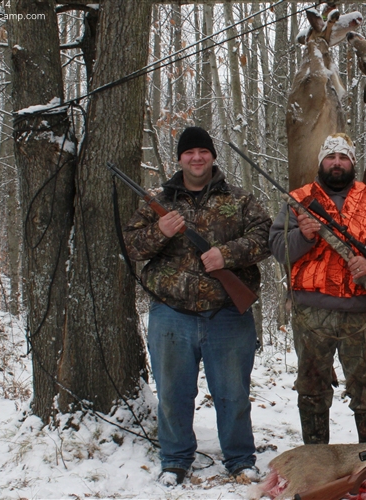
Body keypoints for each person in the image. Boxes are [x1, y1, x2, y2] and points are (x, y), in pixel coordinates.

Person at [124, 126, 272, 485]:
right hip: (171, 312)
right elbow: (131, 247)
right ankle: (174, 460)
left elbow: (265, 236)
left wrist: (227, 254)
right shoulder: (156, 200)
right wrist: (160, 230)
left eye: (203, 152)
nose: (196, 158)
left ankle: (239, 459)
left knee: (233, 393)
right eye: (189, 152)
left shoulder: (240, 199)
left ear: (212, 156)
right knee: (173, 393)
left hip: (227, 313)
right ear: (179, 158)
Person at [269, 133, 366, 445]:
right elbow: (278, 247)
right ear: (321, 162)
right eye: (330, 157)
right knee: (311, 389)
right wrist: (303, 237)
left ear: (352, 163)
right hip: (310, 315)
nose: (336, 163)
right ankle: (317, 461)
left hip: (359, 313)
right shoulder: (298, 199)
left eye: (343, 157)